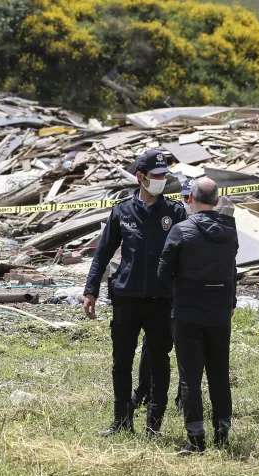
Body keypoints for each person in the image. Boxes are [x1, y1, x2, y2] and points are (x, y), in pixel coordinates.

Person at [83, 150, 187, 437]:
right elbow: (102, 254)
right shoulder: (122, 211)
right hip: (126, 298)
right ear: (140, 178)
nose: (161, 181)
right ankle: (121, 420)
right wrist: (90, 290)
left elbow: (187, 256)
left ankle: (154, 425)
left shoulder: (175, 212)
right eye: (155, 176)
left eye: (164, 176)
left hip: (161, 299)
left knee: (159, 362)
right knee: (122, 362)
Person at [157, 177, 238, 455]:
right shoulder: (230, 231)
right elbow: (232, 269)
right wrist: (231, 300)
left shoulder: (180, 230)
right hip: (219, 311)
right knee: (219, 374)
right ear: (217, 201)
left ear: (189, 199)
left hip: (188, 311)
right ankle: (223, 435)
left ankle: (196, 439)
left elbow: (163, 273)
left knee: (190, 376)